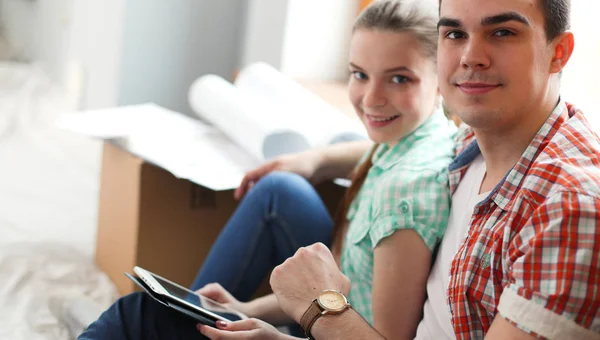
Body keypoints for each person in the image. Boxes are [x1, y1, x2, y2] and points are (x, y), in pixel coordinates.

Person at [203, 0, 600, 339]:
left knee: (145, 320)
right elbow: (401, 147)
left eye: (503, 33)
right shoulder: (474, 141)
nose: (470, 56)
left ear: (559, 52)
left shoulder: (570, 209)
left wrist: (320, 309)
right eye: (455, 34)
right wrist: (317, 159)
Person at [77, 0, 457, 339]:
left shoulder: (402, 198)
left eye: (399, 78)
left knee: (136, 314)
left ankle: (186, 328)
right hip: (332, 310)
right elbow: (373, 156)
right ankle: (192, 319)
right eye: (359, 74)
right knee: (281, 190)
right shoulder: (430, 135)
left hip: (330, 327)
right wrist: (245, 309)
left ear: (441, 79)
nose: (371, 99)